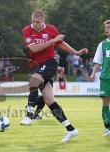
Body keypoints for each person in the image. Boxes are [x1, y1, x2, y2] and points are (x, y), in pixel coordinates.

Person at [21, 10, 88, 142]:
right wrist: (53, 40)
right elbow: (34, 49)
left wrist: (75, 52)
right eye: (33, 21)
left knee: (33, 82)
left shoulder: (51, 29)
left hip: (50, 62)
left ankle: (29, 116)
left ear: (43, 20)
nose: (35, 24)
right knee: (49, 100)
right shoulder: (27, 30)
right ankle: (71, 129)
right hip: (38, 65)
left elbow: (61, 44)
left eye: (38, 22)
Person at [90, 20, 110, 136]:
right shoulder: (102, 44)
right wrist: (93, 74)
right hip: (105, 79)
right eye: (105, 27)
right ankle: (107, 128)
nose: (106, 29)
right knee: (105, 102)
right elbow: (97, 61)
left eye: (108, 27)